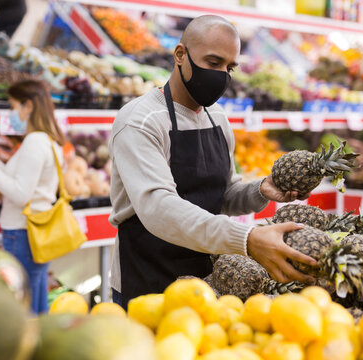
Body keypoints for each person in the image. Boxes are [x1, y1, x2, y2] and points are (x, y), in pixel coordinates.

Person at [108, 15, 317, 308]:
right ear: (180, 55)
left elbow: (223, 194)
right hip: (148, 283)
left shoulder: (216, 117)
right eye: (214, 62)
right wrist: (247, 239)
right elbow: (158, 208)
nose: (222, 75)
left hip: (208, 286)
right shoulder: (140, 121)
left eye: (230, 67)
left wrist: (260, 191)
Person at [0, 80, 65, 314]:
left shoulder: (34, 142)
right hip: (38, 231)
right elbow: (26, 181)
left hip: (23, 232)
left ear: (28, 106)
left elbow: (21, 193)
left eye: (12, 107)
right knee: (37, 301)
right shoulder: (49, 141)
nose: (11, 114)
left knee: (23, 306)